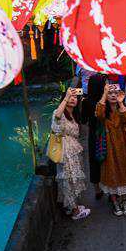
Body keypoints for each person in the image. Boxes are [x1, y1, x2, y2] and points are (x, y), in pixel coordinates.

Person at [96, 84, 126, 216]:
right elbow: (99, 114)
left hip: (124, 145)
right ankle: (116, 203)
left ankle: (125, 201)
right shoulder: (103, 109)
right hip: (109, 146)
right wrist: (104, 94)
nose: (113, 95)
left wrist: (121, 103)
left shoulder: (121, 108)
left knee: (125, 170)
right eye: (110, 93)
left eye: (115, 93)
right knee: (112, 172)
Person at [51, 88, 90, 220]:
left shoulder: (73, 114)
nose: (73, 99)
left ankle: (72, 207)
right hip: (65, 152)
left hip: (72, 151)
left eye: (75, 97)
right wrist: (66, 97)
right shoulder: (60, 113)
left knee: (72, 179)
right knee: (69, 180)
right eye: (70, 97)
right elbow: (56, 116)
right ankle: (75, 211)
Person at [80, 74, 107, 200]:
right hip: (106, 132)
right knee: (107, 158)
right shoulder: (105, 101)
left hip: (93, 133)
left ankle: (97, 189)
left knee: (93, 160)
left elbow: (83, 120)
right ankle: (109, 186)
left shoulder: (86, 101)